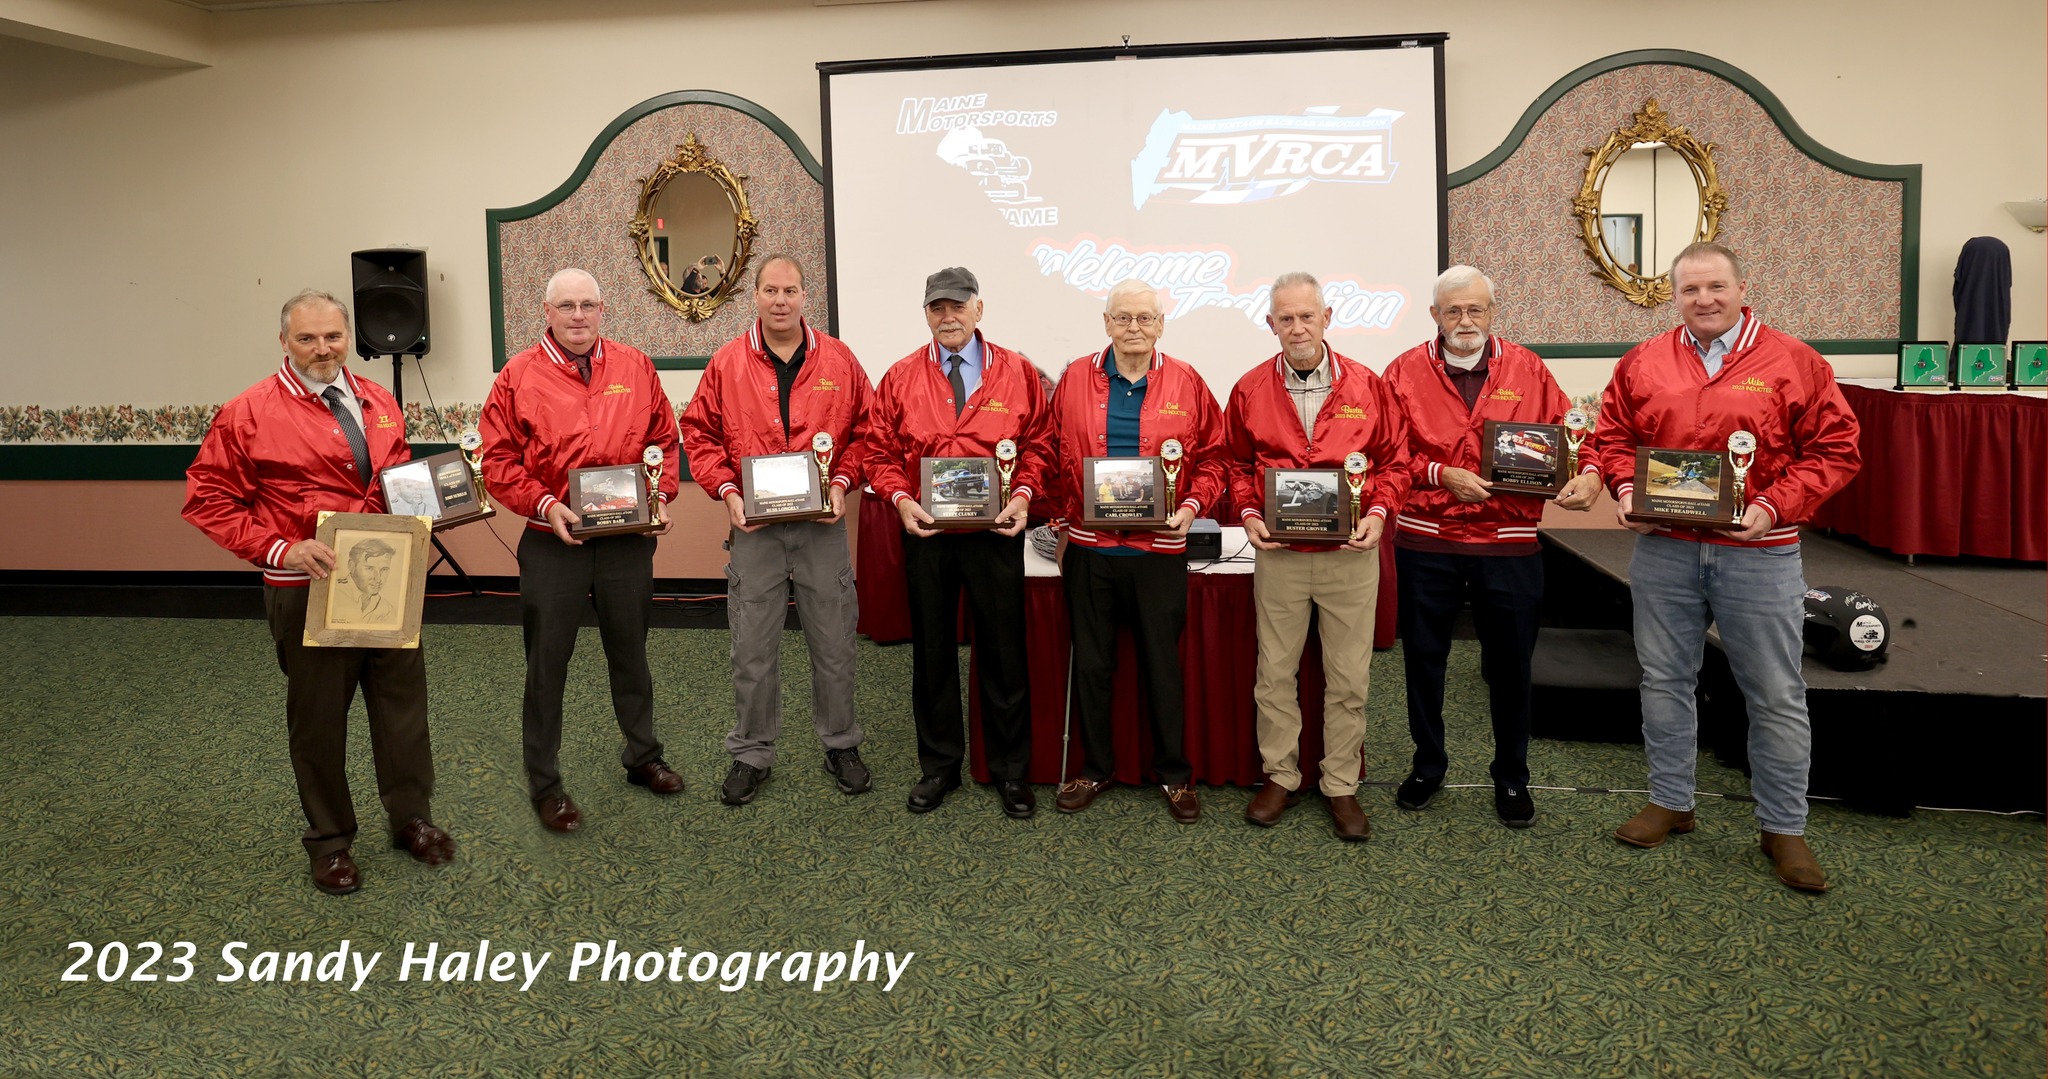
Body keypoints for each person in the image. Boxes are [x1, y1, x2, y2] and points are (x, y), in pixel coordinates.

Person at [1587, 241, 1860, 893]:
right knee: (1664, 679)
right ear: (1673, 296)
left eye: (1716, 287)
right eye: (1690, 290)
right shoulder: (1644, 361)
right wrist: (1626, 492)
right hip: (1665, 551)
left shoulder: (1795, 361)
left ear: (1742, 289)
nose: (1704, 300)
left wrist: (1771, 505)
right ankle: (1672, 800)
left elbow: (1837, 448)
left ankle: (1784, 826)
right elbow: (1612, 438)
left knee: (1775, 691)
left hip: (1759, 555)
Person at [183, 288, 452, 895]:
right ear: (284, 342)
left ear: (347, 336)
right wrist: (282, 548)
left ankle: (412, 818)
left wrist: (439, 501)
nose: (322, 349)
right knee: (320, 722)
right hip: (308, 587)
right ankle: (330, 843)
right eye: (307, 338)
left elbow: (392, 483)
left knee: (402, 710)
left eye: (332, 336)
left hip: (385, 582)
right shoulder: (247, 412)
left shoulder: (377, 399)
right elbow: (207, 500)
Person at [1382, 265, 1604, 829]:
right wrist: (1439, 472)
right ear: (1434, 315)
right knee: (1424, 662)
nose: (1465, 320)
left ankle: (1512, 777)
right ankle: (1428, 766)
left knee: (1511, 667)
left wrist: (1590, 474)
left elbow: (1575, 440)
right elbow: (1383, 457)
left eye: (1475, 309)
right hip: (1426, 541)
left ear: (1492, 312)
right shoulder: (1402, 372)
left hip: (1508, 544)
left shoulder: (1529, 369)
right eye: (1453, 310)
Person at [478, 268, 684, 834]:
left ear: (602, 309)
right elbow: (497, 461)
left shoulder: (634, 366)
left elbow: (663, 441)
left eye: (587, 305)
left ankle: (642, 756)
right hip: (553, 541)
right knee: (547, 666)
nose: (577, 316)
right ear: (546, 311)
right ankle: (545, 785)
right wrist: (545, 505)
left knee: (632, 652)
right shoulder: (517, 376)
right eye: (566, 306)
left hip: (625, 542)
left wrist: (658, 500)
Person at [1224, 272, 1411, 842]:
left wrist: (1378, 514)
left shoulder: (1369, 387)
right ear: (1271, 325)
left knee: (1348, 677)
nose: (1298, 327)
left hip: (1350, 557)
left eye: (1307, 316)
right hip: (1280, 558)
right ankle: (1280, 774)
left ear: (1327, 318)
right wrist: (1251, 516)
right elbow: (1234, 465)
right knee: (1274, 674)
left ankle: (1339, 784)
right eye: (1286, 318)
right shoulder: (1250, 389)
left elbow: (1395, 464)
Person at [681, 254, 874, 807]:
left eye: (791, 290)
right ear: (756, 296)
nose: (781, 300)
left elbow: (867, 432)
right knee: (752, 647)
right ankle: (751, 751)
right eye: (771, 290)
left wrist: (840, 481)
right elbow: (699, 434)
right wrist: (728, 491)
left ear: (805, 296)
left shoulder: (839, 359)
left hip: (822, 528)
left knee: (834, 643)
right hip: (756, 531)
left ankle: (840, 744)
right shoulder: (726, 363)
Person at [862, 267, 1051, 818]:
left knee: (1003, 651)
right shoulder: (899, 377)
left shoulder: (1017, 372)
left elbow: (1039, 444)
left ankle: (1011, 771)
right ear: (926, 314)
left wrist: (1024, 494)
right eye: (937, 308)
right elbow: (878, 452)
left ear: (978, 309)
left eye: (957, 306)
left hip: (996, 534)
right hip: (929, 534)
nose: (948, 317)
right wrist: (900, 499)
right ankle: (940, 766)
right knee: (934, 653)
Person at [1045, 279, 1225, 822]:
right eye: (1123, 318)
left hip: (1159, 554)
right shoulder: (1075, 377)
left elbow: (1215, 458)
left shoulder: (1188, 381)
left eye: (1145, 319)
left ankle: (1174, 774)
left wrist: (1191, 507)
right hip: (1091, 551)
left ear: (1161, 324)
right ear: (1106, 323)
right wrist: (1061, 520)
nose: (1134, 329)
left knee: (1161, 667)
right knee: (1094, 667)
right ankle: (1096, 769)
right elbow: (1052, 454)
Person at [338, 538, 398, 627]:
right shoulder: (332, 595)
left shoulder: (387, 609)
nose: (378, 579)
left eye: (384, 569)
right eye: (369, 568)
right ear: (351, 566)